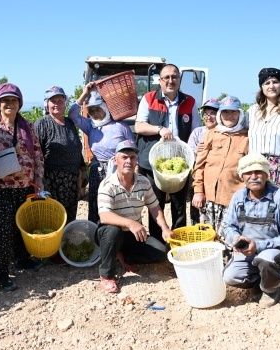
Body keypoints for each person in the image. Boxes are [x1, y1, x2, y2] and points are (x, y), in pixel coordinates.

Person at [0, 83, 45, 291]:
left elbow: (37, 154)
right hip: (0, 188)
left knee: (21, 226)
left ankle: (22, 259)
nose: (10, 104)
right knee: (0, 230)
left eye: (14, 100)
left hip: (25, 186)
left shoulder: (27, 127)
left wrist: (39, 180)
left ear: (20, 103)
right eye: (5, 100)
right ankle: (1, 273)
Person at [222, 153, 280, 307]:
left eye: (258, 172)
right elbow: (228, 226)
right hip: (248, 252)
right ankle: (259, 281)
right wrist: (236, 239)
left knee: (265, 260)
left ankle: (271, 289)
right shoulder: (238, 197)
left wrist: (258, 245)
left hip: (274, 251)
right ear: (242, 177)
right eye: (248, 173)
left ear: (266, 174)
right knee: (230, 276)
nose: (254, 177)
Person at [96, 140, 173, 293]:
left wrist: (165, 228)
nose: (128, 161)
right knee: (113, 231)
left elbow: (154, 207)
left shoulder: (144, 182)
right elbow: (104, 216)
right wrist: (131, 223)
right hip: (110, 233)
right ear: (115, 160)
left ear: (137, 160)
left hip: (133, 235)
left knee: (160, 253)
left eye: (132, 157)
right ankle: (106, 275)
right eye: (124, 157)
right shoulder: (107, 184)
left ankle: (122, 256)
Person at [134, 64, 200, 243]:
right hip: (155, 163)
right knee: (156, 205)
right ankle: (157, 243)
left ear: (179, 79)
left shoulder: (190, 102)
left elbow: (196, 132)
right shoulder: (149, 99)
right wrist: (159, 129)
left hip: (180, 164)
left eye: (174, 77)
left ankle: (178, 243)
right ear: (160, 81)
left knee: (179, 207)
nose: (171, 81)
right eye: (166, 78)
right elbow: (139, 126)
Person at [68, 82, 134, 223]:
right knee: (96, 203)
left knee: (118, 204)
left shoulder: (120, 126)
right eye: (91, 111)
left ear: (105, 107)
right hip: (97, 171)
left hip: (119, 170)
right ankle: (95, 235)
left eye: (98, 109)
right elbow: (72, 114)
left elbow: (132, 150)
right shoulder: (90, 126)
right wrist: (85, 93)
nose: (95, 114)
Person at [191, 96, 248, 236]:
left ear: (240, 114)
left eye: (233, 112)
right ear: (220, 114)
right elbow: (200, 165)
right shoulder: (211, 134)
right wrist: (198, 191)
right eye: (225, 112)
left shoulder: (247, 137)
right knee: (207, 237)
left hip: (233, 200)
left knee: (229, 239)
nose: (229, 116)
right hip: (208, 198)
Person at [34, 86, 84, 223]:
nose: (57, 104)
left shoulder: (69, 123)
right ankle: (52, 245)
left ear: (65, 103)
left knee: (69, 218)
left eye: (60, 100)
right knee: (52, 219)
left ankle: (65, 244)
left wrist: (82, 173)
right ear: (47, 104)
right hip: (52, 181)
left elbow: (77, 148)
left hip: (72, 181)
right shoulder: (42, 124)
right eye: (53, 101)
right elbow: (35, 154)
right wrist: (39, 181)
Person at [187, 98, 219, 224]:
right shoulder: (198, 132)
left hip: (214, 178)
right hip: (198, 177)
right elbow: (189, 154)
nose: (208, 117)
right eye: (206, 113)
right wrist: (197, 151)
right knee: (196, 209)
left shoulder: (223, 133)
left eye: (212, 113)